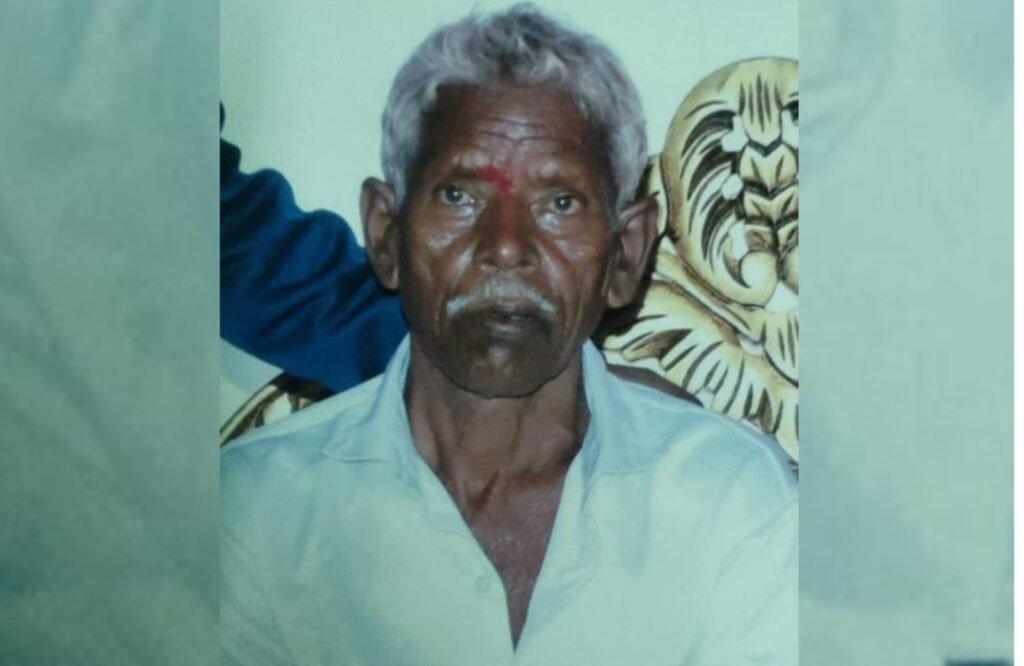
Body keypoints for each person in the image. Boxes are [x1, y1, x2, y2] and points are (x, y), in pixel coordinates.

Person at [220, 5, 796, 665]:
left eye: (560, 203)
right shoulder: (256, 511)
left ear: (627, 254)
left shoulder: (730, 500)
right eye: (459, 197)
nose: (505, 246)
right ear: (385, 233)